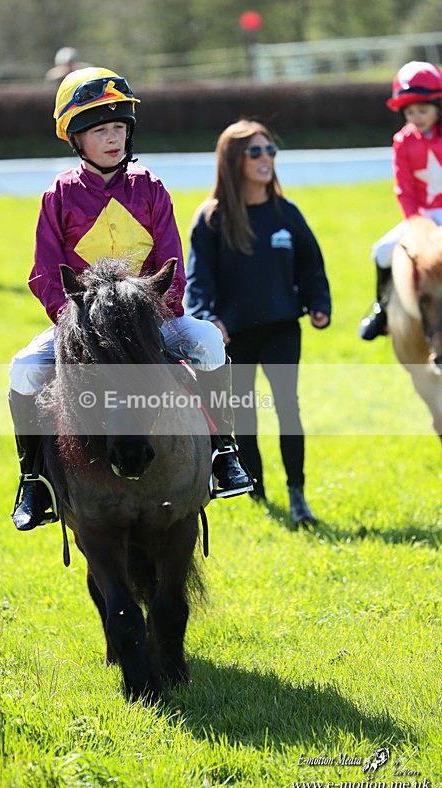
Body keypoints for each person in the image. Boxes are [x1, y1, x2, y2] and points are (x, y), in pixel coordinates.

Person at [8, 66, 252, 531]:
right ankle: (33, 480)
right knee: (23, 369)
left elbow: (172, 266)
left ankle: (224, 452)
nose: (113, 138)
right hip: (81, 325)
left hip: (151, 320)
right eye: (100, 130)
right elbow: (45, 273)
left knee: (209, 343)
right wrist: (79, 325)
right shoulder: (57, 196)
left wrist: (154, 316)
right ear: (76, 139)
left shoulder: (151, 189)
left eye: (119, 127)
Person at [185, 118, 331, 526]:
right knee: (243, 413)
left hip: (283, 326)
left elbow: (312, 267)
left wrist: (319, 303)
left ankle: (298, 496)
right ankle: (257, 493)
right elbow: (198, 280)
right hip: (235, 334)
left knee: (288, 407)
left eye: (270, 151)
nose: (266, 158)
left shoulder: (287, 214)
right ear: (235, 161)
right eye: (255, 152)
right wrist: (208, 318)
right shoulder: (212, 218)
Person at [359, 61, 442, 340]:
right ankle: (382, 311)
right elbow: (403, 188)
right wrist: (416, 222)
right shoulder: (402, 141)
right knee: (381, 250)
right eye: (409, 111)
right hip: (421, 219)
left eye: (422, 110)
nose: (416, 117)